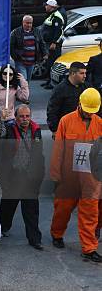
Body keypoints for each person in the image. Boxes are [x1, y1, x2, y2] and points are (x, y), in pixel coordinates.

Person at [49, 88, 102, 262]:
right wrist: (55, 175)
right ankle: (57, 234)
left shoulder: (100, 123)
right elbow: (58, 150)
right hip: (69, 176)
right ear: (79, 103)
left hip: (91, 178)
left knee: (90, 213)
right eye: (87, 109)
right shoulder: (66, 121)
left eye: (92, 111)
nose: (89, 113)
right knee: (62, 209)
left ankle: (89, 248)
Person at [0, 105, 45, 250]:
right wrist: (0, 120)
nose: (25, 119)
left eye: (27, 116)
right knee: (8, 206)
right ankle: (2, 228)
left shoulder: (36, 130)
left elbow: (39, 155)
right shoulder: (8, 129)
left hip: (29, 176)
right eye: (21, 116)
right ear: (15, 118)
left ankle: (35, 239)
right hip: (12, 175)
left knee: (31, 210)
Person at [46, 62, 90, 134]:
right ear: (73, 74)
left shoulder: (87, 87)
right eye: (82, 73)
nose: (85, 76)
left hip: (84, 129)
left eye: (85, 73)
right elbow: (52, 111)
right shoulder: (60, 89)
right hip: (66, 129)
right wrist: (54, 129)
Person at [10, 15, 46, 81]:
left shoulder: (37, 31)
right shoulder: (16, 32)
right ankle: (22, 91)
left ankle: (24, 91)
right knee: (23, 80)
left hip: (32, 62)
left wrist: (45, 53)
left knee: (28, 80)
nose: (29, 25)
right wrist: (15, 56)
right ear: (23, 22)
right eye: (27, 23)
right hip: (20, 61)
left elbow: (41, 43)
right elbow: (11, 46)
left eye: (30, 23)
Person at [40, 0, 67, 89]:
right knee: (48, 63)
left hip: (53, 45)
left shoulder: (57, 16)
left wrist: (54, 42)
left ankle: (52, 84)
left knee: (52, 63)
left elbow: (59, 31)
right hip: (48, 43)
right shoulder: (52, 14)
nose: (45, 6)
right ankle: (48, 81)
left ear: (51, 7)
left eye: (47, 5)